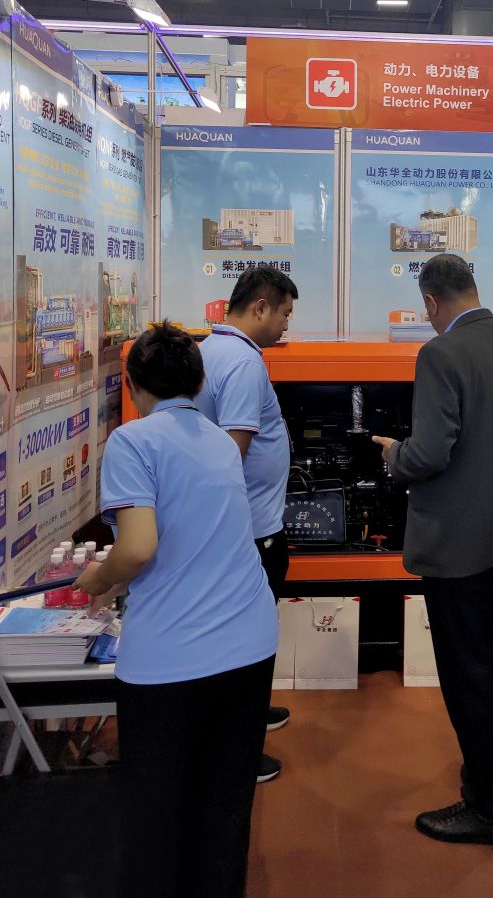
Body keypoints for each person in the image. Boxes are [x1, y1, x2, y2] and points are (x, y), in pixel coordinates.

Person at [74, 323, 275, 898]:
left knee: (158, 812)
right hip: (249, 642)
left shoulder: (132, 442)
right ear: (201, 382)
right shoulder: (220, 440)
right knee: (225, 805)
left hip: (169, 659)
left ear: (133, 384)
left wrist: (97, 580)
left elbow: (138, 547)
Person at [373, 253, 493, 846]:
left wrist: (393, 456)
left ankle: (487, 808)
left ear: (432, 302)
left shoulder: (441, 353)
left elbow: (430, 452)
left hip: (457, 546)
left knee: (470, 677)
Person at [195, 264, 298, 783]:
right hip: (251, 531)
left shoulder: (211, 349)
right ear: (260, 307)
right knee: (247, 641)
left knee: (241, 637)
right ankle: (239, 751)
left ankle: (247, 716)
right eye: (284, 314)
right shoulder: (243, 362)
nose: (286, 325)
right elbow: (230, 453)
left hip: (243, 525)